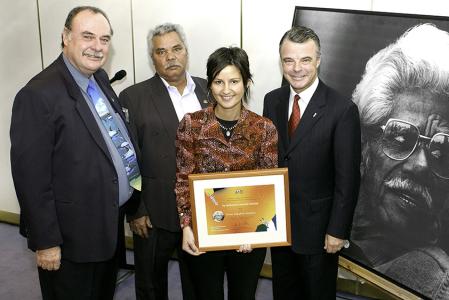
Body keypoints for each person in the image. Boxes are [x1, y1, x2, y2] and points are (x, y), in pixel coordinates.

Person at [348, 23, 449, 299]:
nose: (421, 165)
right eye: (400, 138)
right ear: (365, 146)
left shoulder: (437, 287)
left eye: (442, 152)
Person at [10, 6, 140, 300]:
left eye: (104, 39)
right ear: (66, 37)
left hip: (107, 226)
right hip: (70, 241)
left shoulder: (100, 79)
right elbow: (31, 180)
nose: (97, 47)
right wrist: (46, 243)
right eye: (88, 36)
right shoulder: (38, 95)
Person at [263, 26, 361, 300]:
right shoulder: (272, 100)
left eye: (305, 60)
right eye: (288, 60)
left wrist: (337, 230)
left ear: (318, 60)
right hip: (280, 225)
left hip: (319, 233)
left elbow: (348, 178)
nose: (296, 68)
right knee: (284, 292)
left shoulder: (342, 110)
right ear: (281, 60)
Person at [175, 46, 278, 300]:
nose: (226, 89)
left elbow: (268, 184)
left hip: (248, 237)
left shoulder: (264, 128)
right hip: (205, 233)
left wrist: (254, 233)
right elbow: (182, 180)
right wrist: (186, 226)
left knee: (243, 295)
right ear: (209, 85)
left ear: (246, 83)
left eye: (234, 81)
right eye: (219, 82)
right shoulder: (191, 124)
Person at [119, 22, 208, 300]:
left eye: (176, 48)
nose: (170, 56)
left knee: (200, 280)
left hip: (203, 207)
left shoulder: (210, 90)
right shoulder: (133, 97)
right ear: (152, 57)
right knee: (151, 283)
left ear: (186, 52)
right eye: (161, 51)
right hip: (155, 209)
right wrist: (136, 209)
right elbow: (127, 158)